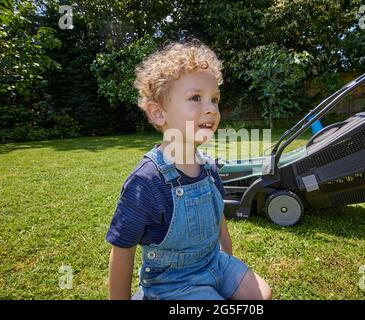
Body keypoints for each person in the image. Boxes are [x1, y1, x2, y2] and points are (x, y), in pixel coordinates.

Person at [106, 39, 272, 300]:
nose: (211, 109)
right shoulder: (147, 182)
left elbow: (218, 217)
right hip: (172, 282)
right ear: (159, 114)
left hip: (214, 262)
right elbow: (121, 250)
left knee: (261, 295)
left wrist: (227, 259)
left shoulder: (208, 167)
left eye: (214, 99)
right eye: (196, 98)